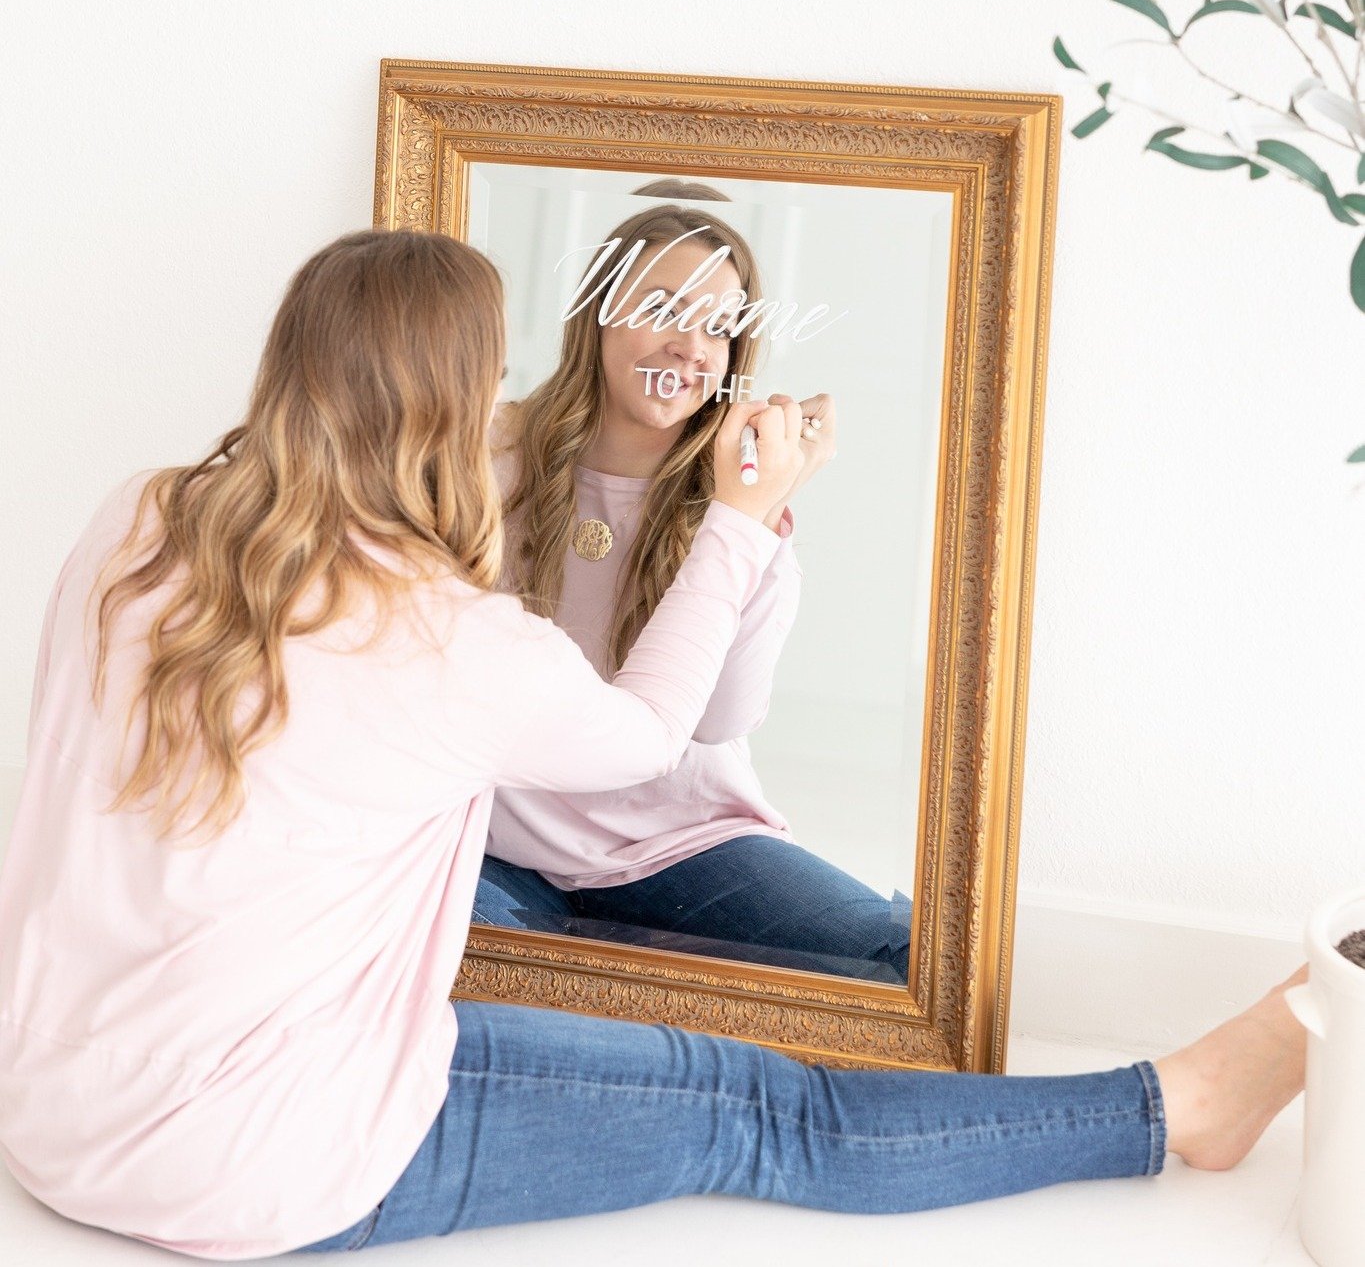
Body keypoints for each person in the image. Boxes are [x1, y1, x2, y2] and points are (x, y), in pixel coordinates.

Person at [0, 228, 1307, 1260]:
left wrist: (724, 518)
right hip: (254, 1162)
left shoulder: (143, 514)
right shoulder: (446, 634)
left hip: (49, 1117)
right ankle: (1173, 1103)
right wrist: (745, 517)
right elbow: (635, 738)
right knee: (770, 1116)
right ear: (465, 402)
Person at [473, 200, 911, 983]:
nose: (689, 346)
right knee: (489, 984)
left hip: (678, 841)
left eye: (718, 328)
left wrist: (756, 519)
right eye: (661, 308)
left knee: (905, 961)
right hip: (498, 838)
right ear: (596, 315)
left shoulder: (734, 499)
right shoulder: (491, 452)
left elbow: (720, 720)